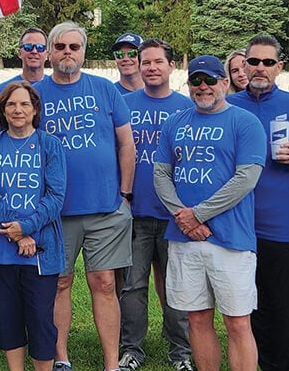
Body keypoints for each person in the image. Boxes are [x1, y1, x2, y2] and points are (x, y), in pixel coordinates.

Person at [33, 22, 137, 371]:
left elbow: (126, 144)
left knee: (105, 283)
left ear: (83, 52)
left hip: (106, 207)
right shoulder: (34, 94)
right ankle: (61, 358)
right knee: (60, 282)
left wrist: (125, 194)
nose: (67, 53)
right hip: (55, 211)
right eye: (60, 47)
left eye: (74, 47)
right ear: (49, 52)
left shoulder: (105, 90)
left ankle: (111, 364)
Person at [153, 55, 266, 371]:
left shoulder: (244, 122)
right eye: (196, 81)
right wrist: (183, 216)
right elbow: (161, 173)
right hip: (184, 236)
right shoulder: (176, 122)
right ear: (188, 85)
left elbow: (246, 177)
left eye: (210, 80)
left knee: (238, 322)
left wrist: (199, 214)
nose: (203, 87)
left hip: (230, 238)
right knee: (197, 318)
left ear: (225, 83)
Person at [225, 34, 289, 371]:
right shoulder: (230, 106)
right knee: (246, 308)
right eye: (254, 62)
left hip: (282, 224)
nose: (260, 68)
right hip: (237, 225)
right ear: (244, 65)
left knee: (284, 309)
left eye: (268, 62)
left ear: (279, 67)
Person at [0, 81, 66, 371]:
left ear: (35, 109)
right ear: (2, 110)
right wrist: (15, 233)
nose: (18, 110)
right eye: (11, 104)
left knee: (41, 320)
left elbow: (55, 196)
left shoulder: (49, 145)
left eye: (24, 104)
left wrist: (27, 228)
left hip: (40, 250)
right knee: (7, 317)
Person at [117, 39, 194, 370]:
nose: (150, 67)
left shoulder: (186, 107)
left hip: (175, 213)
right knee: (132, 286)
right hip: (135, 211)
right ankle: (131, 349)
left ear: (171, 66)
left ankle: (181, 352)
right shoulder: (124, 103)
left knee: (178, 287)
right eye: (145, 61)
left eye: (157, 62)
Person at [0, 27, 48, 134]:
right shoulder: (1, 91)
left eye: (40, 48)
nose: (34, 51)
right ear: (19, 53)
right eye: (28, 47)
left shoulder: (56, 88)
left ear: (47, 54)